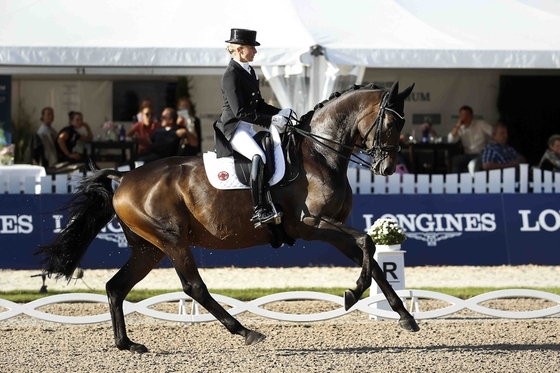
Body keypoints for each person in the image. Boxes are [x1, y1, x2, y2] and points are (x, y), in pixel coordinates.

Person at [213, 28, 294, 229]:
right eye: (252, 48)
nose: (255, 52)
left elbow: (258, 105)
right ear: (240, 50)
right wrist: (271, 120)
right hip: (234, 128)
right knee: (259, 156)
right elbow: (240, 111)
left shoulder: (249, 71)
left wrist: (282, 112)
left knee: (273, 148)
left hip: (247, 126)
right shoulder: (231, 75)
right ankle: (259, 209)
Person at [447, 105, 492, 173]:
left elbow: (494, 133)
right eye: (462, 116)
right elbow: (450, 140)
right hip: (468, 155)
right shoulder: (460, 129)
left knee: (475, 164)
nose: (464, 118)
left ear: (471, 116)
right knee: (455, 160)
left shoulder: (480, 124)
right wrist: (457, 126)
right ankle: (457, 182)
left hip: (481, 154)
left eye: (466, 115)